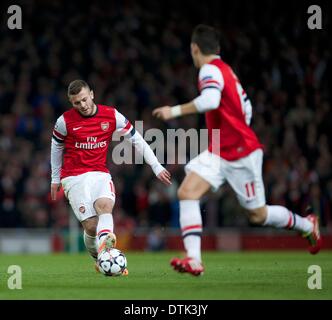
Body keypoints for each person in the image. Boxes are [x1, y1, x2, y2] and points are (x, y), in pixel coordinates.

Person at [152, 24, 322, 276]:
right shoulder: (227, 72)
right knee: (187, 192)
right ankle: (194, 260)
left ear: (194, 48)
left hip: (241, 153)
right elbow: (247, 108)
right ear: (217, 48)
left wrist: (173, 111)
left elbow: (211, 101)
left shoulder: (209, 70)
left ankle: (306, 225)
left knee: (258, 215)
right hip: (219, 150)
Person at [51, 80, 171, 275]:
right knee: (91, 226)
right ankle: (100, 258)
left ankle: (106, 257)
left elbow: (136, 139)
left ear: (92, 94)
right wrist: (55, 178)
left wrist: (156, 166)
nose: (82, 105)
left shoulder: (111, 115)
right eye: (76, 103)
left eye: (84, 99)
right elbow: (56, 147)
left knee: (105, 206)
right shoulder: (64, 121)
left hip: (99, 172)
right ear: (71, 103)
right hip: (74, 177)